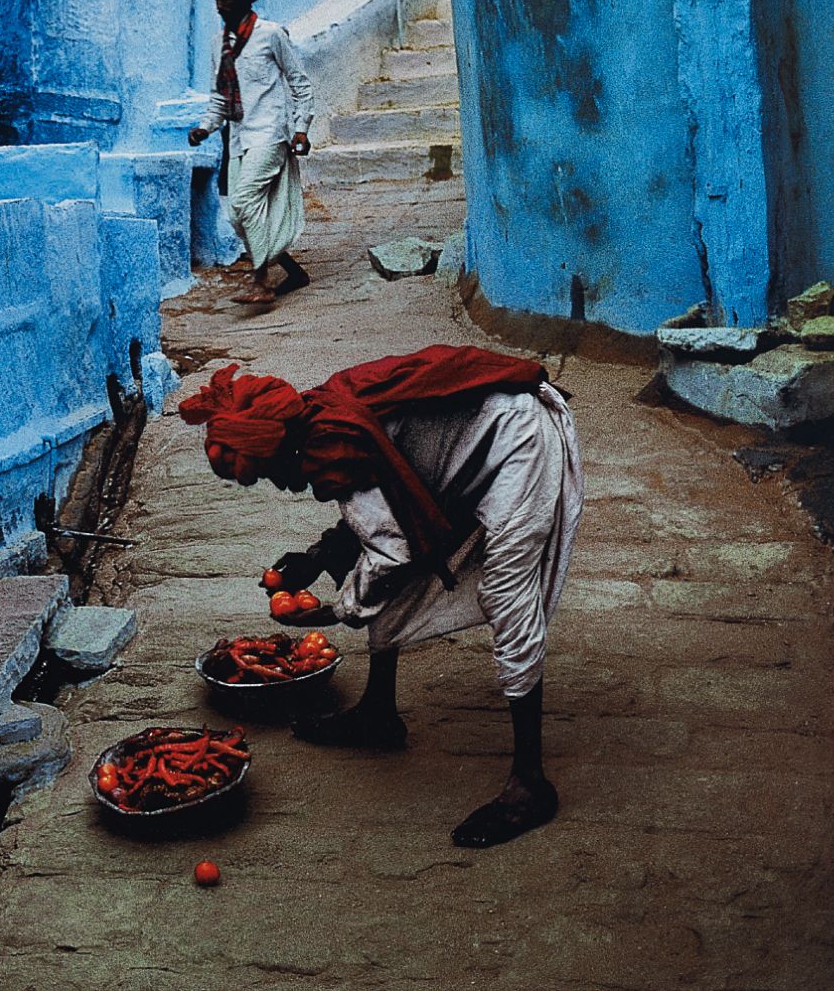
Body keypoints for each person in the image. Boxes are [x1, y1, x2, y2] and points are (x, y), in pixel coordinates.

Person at [178, 344, 584, 847]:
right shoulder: (315, 415)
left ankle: (529, 784)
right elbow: (384, 502)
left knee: (507, 594)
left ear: (279, 450)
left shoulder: (332, 444)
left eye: (263, 474)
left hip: (519, 439)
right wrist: (320, 555)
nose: (277, 487)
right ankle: (377, 714)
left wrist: (339, 610)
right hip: (475, 437)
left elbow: (390, 551)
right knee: (371, 564)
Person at [187, 0, 315, 304]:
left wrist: (301, 128)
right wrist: (205, 128)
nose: (219, 6)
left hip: (271, 133)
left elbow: (299, 84)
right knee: (235, 214)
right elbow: (220, 94)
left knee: (245, 202)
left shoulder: (271, 34)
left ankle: (260, 281)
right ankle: (292, 271)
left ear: (245, 1)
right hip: (240, 136)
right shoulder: (219, 43)